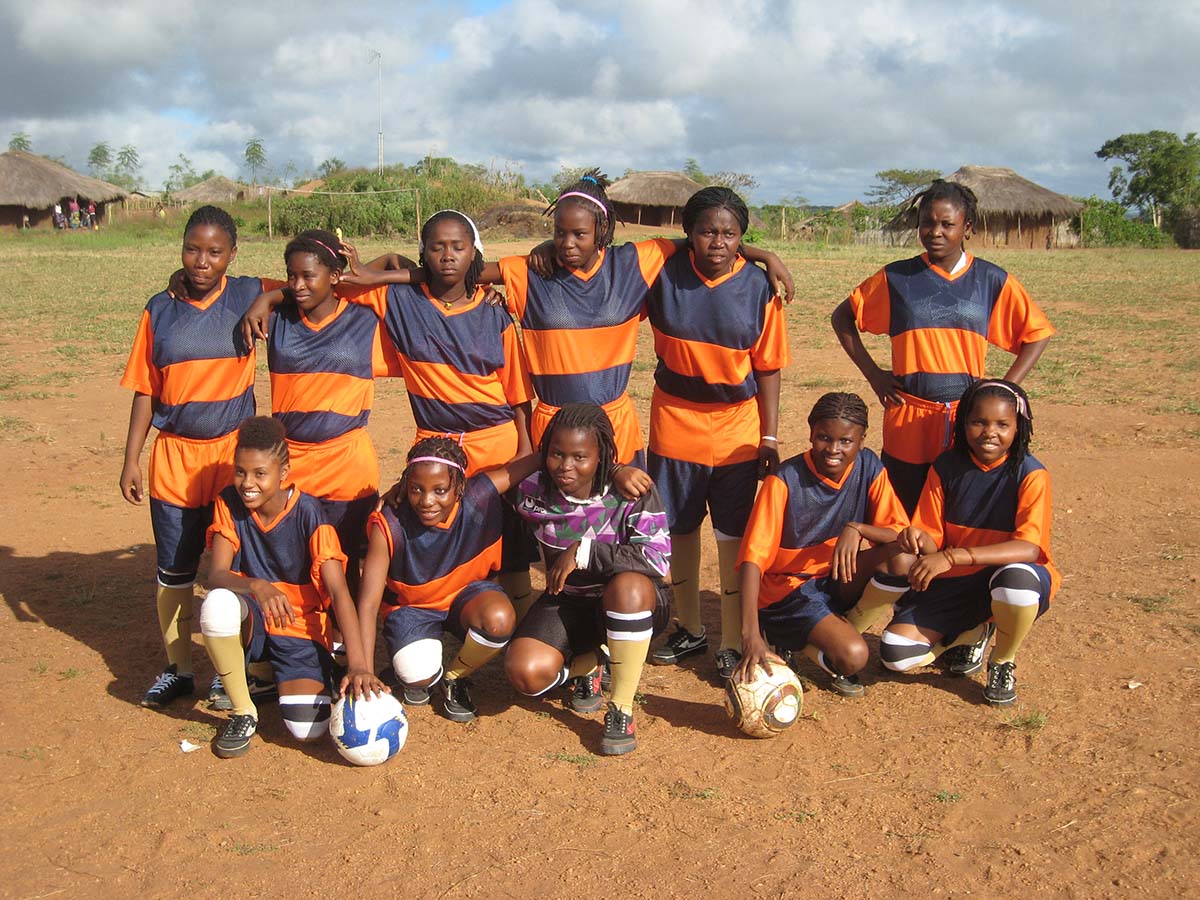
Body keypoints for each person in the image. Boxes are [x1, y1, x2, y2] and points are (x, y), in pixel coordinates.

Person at [831, 180, 1055, 515]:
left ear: (967, 227)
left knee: (957, 506)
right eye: (927, 223)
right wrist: (874, 375)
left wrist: (1005, 388)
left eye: (947, 224)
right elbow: (842, 317)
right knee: (903, 512)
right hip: (909, 414)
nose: (935, 232)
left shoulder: (990, 279)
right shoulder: (897, 278)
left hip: (965, 418)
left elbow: (1037, 333)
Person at [120, 205, 269, 709]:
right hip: (176, 459)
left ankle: (242, 667)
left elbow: (309, 280)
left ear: (233, 254)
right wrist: (130, 459)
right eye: (192, 249)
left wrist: (266, 298)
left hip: (234, 458)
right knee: (176, 569)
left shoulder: (248, 292)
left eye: (214, 252)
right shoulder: (159, 309)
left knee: (242, 563)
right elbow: (145, 389)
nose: (202, 261)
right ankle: (179, 668)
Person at [643, 186, 790, 678]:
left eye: (730, 234)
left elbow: (768, 368)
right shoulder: (663, 272)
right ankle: (688, 628)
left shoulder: (760, 289)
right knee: (679, 526)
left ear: (741, 239)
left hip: (736, 428)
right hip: (675, 421)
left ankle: (730, 637)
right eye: (706, 231)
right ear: (689, 234)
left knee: (732, 530)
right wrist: (764, 250)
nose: (718, 243)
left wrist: (769, 437)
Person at [200, 417, 386, 758]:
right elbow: (216, 575)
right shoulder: (228, 502)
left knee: (307, 730)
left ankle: (280, 673)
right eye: (240, 472)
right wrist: (257, 585)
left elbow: (339, 592)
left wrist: (359, 665)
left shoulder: (310, 514)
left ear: (283, 472)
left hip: (300, 628)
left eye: (259, 473)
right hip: (257, 614)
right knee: (218, 605)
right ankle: (244, 711)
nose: (247, 483)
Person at [504, 403, 668, 756]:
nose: (565, 467)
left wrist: (585, 551)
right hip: (567, 599)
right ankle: (586, 663)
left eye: (580, 456)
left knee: (628, 586)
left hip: (629, 601)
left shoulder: (630, 491)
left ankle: (621, 709)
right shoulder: (533, 490)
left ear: (602, 456)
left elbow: (656, 558)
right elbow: (473, 493)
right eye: (556, 454)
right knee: (525, 674)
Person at [880, 380, 1058, 705]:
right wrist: (918, 538)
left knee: (1015, 582)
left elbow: (1029, 548)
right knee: (896, 655)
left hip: (1004, 576)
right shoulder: (946, 467)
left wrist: (953, 557)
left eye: (1003, 424)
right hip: (956, 584)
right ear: (963, 424)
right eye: (979, 422)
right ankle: (971, 631)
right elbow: (931, 537)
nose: (990, 432)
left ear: (1020, 427)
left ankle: (1003, 659)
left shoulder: (1030, 474)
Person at [733, 393, 912, 696]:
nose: (833, 449)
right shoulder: (785, 480)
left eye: (846, 442)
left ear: (862, 440)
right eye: (823, 438)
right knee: (854, 657)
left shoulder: (869, 466)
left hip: (836, 577)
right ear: (811, 433)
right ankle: (788, 639)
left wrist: (857, 528)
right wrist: (749, 635)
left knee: (903, 559)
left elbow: (903, 533)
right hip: (789, 591)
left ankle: (839, 630)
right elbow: (751, 561)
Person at [358, 438, 542, 723]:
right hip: (414, 610)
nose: (427, 500)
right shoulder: (389, 523)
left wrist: (614, 470)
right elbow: (368, 603)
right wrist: (364, 669)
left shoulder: (479, 497)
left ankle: (454, 677)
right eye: (416, 489)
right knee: (415, 674)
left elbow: (535, 460)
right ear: (405, 484)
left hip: (467, 598)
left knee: (499, 619)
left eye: (440, 490)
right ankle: (419, 671)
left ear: (459, 487)